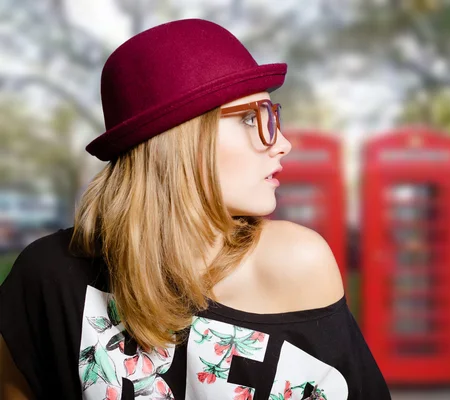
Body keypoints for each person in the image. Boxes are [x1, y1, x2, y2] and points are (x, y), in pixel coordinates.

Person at [0, 19, 390, 400]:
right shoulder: (46, 275)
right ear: (180, 141)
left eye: (273, 117)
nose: (282, 142)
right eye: (253, 117)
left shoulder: (295, 262)